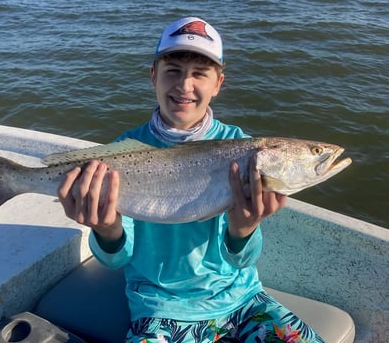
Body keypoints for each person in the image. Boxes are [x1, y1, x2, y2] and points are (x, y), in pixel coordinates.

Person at [58, 17, 325, 343]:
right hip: (158, 308)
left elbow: (242, 259)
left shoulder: (242, 147)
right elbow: (117, 258)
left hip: (241, 300)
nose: (185, 85)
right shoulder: (121, 153)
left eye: (200, 74)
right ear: (153, 76)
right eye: (173, 71)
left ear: (218, 84)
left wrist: (244, 230)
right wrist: (106, 229)